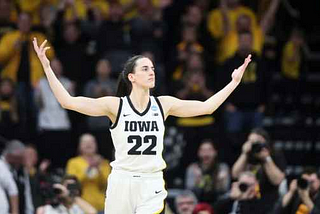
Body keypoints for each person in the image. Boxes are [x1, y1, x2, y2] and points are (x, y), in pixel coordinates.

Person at [33, 37, 252, 213]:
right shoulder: (115, 105)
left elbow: (207, 107)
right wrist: (47, 67)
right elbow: (67, 102)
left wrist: (233, 82)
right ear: (132, 77)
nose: (151, 71)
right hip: (122, 180)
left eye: (153, 68)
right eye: (145, 69)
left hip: (152, 181)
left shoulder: (163, 104)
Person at [231, 128, 286, 214]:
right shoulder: (246, 155)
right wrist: (244, 154)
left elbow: (277, 180)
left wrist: (266, 158)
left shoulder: (275, 154)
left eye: (258, 141)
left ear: (266, 142)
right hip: (245, 200)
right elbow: (235, 174)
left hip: (267, 202)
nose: (254, 144)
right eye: (251, 141)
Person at [66, 133, 111, 213]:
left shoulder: (104, 162)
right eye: (85, 142)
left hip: (102, 207)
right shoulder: (73, 162)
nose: (88, 144)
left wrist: (99, 169)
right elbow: (72, 185)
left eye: (91, 142)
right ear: (79, 146)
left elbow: (107, 185)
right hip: (80, 207)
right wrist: (89, 168)